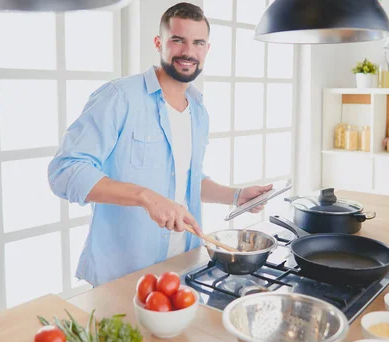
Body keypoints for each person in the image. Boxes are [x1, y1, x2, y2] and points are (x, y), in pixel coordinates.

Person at [48, 2, 272, 287]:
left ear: (206, 49)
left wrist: (236, 195)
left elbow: (185, 179)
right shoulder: (119, 97)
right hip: (123, 274)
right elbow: (64, 171)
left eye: (197, 42)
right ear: (159, 43)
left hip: (181, 269)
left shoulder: (198, 110)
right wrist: (145, 196)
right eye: (178, 40)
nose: (188, 52)